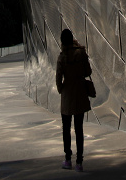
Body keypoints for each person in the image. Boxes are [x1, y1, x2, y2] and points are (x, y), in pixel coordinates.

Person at [56, 27, 92, 171]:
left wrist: (61, 89)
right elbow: (88, 71)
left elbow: (58, 78)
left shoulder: (62, 57)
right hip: (80, 93)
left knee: (66, 128)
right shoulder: (81, 53)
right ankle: (79, 162)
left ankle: (67, 159)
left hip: (67, 95)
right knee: (79, 128)